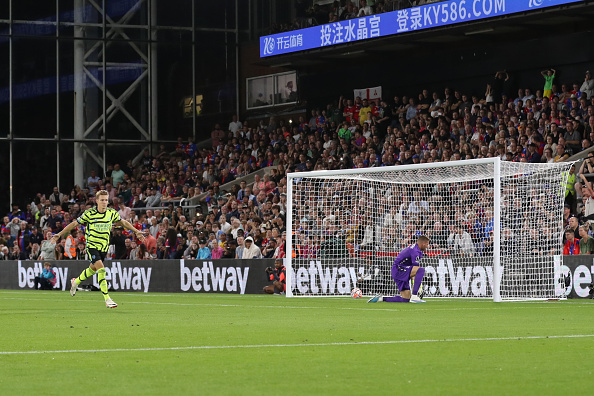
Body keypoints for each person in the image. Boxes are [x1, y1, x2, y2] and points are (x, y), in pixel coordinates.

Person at [51, 190, 146, 308]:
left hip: (104, 247)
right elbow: (75, 224)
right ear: (96, 201)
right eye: (102, 200)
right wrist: (59, 234)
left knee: (92, 269)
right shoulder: (89, 213)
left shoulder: (111, 213)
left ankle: (76, 282)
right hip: (92, 246)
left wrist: (136, 231)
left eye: (106, 200)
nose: (104, 202)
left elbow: (123, 223)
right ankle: (107, 299)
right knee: (101, 269)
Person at [368, 235, 430, 303]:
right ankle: (414, 296)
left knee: (406, 299)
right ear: (423, 244)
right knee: (421, 270)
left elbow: (414, 271)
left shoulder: (417, 249)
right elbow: (416, 271)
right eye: (427, 244)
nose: (428, 246)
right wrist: (418, 289)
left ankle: (381, 298)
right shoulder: (415, 251)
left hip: (400, 271)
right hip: (399, 269)